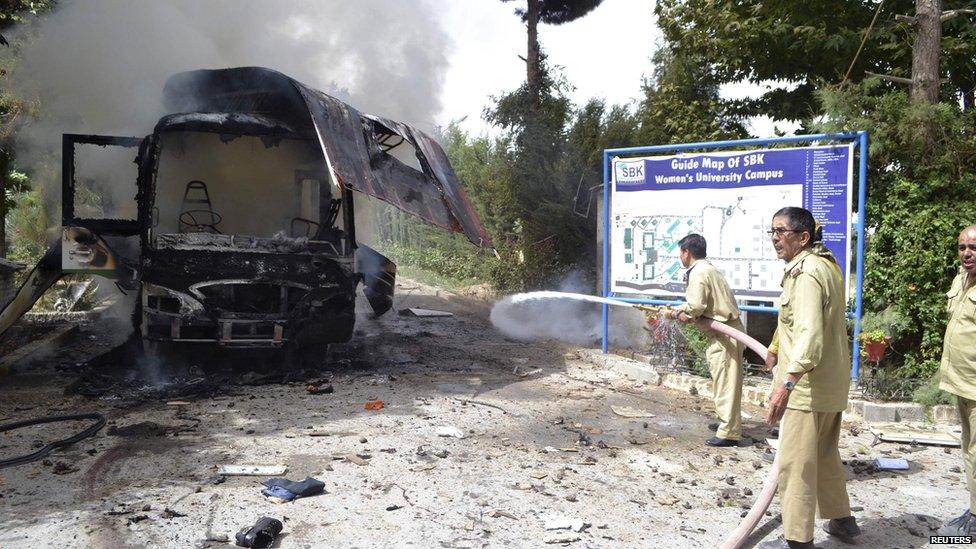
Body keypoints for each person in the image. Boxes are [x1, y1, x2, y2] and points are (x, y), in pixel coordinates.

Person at [760, 207, 860, 549]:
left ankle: (797, 540)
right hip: (830, 383)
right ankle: (843, 522)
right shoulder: (826, 265)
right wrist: (774, 346)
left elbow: (809, 334)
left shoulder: (805, 273)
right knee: (824, 454)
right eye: (772, 231)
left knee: (796, 464)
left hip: (807, 389)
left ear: (803, 238)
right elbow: (795, 320)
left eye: (781, 231)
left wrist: (786, 385)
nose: (775, 237)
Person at [668, 233, 745, 447]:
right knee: (725, 381)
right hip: (727, 332)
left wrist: (680, 315)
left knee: (726, 383)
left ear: (686, 252)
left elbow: (695, 307)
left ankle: (729, 432)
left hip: (725, 334)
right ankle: (727, 423)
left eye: (680, 253)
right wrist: (680, 310)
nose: (680, 257)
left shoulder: (699, 272)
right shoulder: (706, 269)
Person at [937, 224, 976, 537]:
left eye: (973, 248)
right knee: (969, 448)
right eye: (962, 247)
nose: (967, 254)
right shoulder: (960, 281)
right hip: (962, 383)